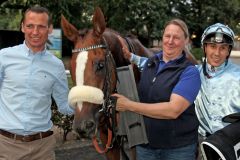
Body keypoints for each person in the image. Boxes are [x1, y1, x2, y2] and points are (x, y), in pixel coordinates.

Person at [114, 19, 201, 160]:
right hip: (146, 147)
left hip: (177, 150)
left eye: (176, 37)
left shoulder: (189, 72)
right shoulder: (150, 63)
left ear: (186, 41)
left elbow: (173, 110)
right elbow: (141, 61)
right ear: (162, 38)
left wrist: (129, 105)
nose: (170, 41)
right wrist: (129, 56)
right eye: (167, 36)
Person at [0, 6, 73, 160]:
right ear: (22, 27)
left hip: (43, 148)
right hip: (6, 146)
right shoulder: (3, 57)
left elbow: (65, 106)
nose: (35, 32)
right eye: (30, 26)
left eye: (41, 26)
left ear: (50, 29)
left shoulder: (57, 65)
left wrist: (89, 102)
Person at [194, 23, 240, 159]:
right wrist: (132, 57)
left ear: (228, 50)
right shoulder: (193, 73)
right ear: (205, 47)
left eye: (223, 48)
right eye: (212, 46)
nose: (217, 53)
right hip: (202, 145)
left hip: (232, 146)